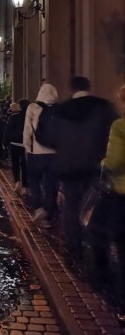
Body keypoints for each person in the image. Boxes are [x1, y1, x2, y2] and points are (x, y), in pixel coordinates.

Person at [50, 76, 118, 262]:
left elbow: (48, 137)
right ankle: (98, 249)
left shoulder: (62, 109)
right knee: (96, 205)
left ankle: (74, 248)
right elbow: (113, 133)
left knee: (71, 208)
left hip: (70, 168)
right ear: (88, 87)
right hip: (95, 167)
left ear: (72, 89)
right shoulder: (103, 106)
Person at [97, 85, 125, 311]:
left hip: (122, 194)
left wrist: (102, 164)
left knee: (122, 244)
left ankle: (121, 297)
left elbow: (114, 162)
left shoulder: (120, 126)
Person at [23, 83, 59, 228]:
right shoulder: (58, 110)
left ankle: (38, 208)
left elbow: (27, 131)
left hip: (35, 153)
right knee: (51, 184)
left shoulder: (32, 107)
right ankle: (47, 213)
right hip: (53, 154)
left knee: (34, 181)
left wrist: (27, 148)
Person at [3, 99, 30, 194]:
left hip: (14, 143)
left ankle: (17, 181)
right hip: (26, 144)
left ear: (20, 106)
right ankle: (25, 186)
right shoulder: (29, 117)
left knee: (15, 164)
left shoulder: (13, 117)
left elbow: (8, 130)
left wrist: (5, 143)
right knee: (25, 165)